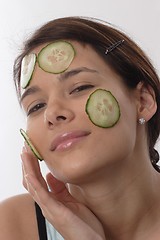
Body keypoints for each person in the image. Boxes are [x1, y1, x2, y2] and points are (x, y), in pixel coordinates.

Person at [0, 16, 160, 240]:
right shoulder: (12, 226)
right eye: (36, 106)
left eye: (79, 88)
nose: (52, 113)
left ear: (143, 101)